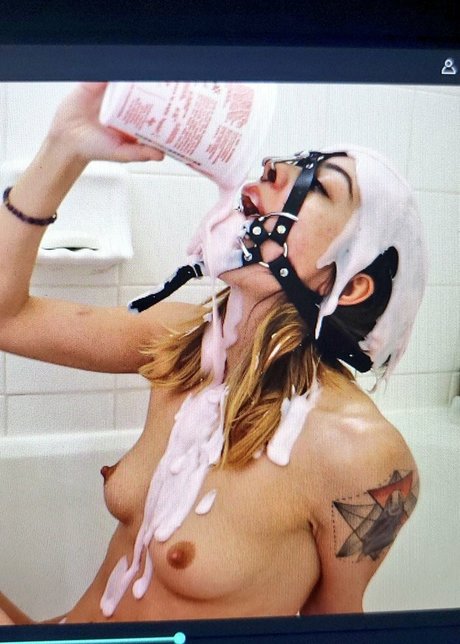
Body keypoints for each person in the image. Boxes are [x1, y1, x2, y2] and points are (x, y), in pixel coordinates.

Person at [0, 82, 425, 625]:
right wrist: (65, 146)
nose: (275, 169)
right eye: (289, 162)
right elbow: (7, 317)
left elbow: (333, 626)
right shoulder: (181, 343)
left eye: (321, 185)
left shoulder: (362, 453)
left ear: (352, 286)